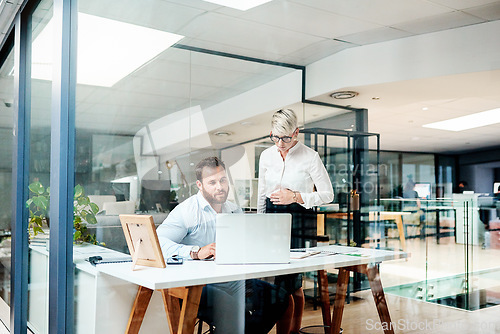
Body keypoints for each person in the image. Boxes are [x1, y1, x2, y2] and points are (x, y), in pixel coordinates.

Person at [157, 157, 290, 334]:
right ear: (199, 185)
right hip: (199, 285)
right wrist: (196, 252)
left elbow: (243, 244)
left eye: (223, 180)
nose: (219, 187)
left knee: (279, 298)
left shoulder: (234, 210)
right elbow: (158, 243)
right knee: (234, 309)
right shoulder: (187, 211)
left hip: (231, 279)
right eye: (212, 182)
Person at [257, 109, 334, 333]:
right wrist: (260, 224)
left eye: (286, 138)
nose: (280, 143)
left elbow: (328, 195)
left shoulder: (310, 156)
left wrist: (296, 196)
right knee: (283, 282)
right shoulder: (266, 156)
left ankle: (290, 332)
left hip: (299, 217)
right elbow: (262, 193)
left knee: (289, 283)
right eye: (275, 137)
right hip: (272, 218)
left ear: (296, 133)